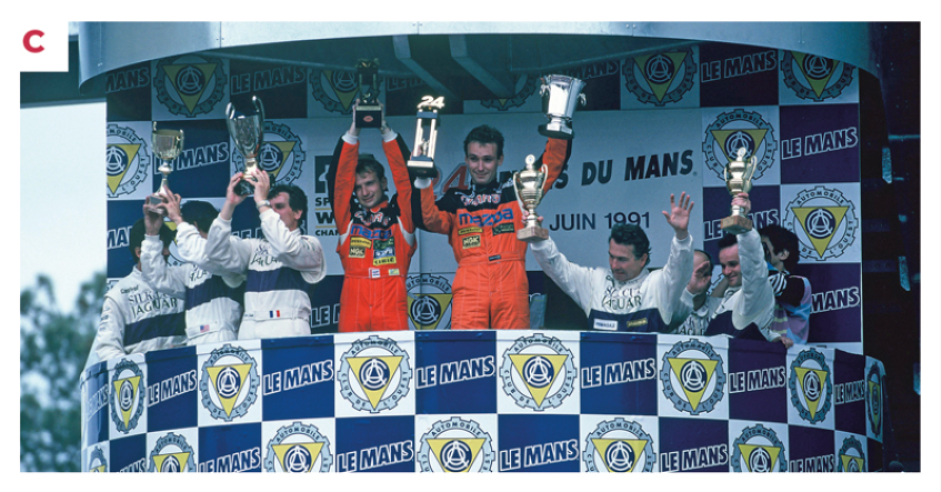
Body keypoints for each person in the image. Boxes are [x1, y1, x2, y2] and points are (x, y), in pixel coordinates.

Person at [413, 124, 572, 329]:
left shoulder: (515, 188)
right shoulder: (455, 200)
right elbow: (427, 219)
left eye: (487, 159)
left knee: (513, 352)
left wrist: (560, 124)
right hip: (470, 282)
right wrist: (422, 179)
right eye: (474, 159)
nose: (480, 167)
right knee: (467, 353)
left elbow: (553, 164)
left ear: (500, 159)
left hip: (510, 280)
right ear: (466, 159)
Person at [529, 193, 695, 333]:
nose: (614, 265)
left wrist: (681, 236)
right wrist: (539, 240)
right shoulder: (595, 282)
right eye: (611, 257)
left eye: (622, 259)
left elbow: (680, 269)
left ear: (643, 259)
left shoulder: (658, 283)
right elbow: (557, 268)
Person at [205, 168, 326, 340]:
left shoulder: (310, 245)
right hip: (249, 332)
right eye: (270, 207)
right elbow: (215, 255)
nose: (272, 212)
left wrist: (262, 202)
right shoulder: (253, 247)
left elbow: (285, 248)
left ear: (298, 213)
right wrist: (229, 205)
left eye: (280, 207)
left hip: (288, 331)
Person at [327, 103, 417, 332]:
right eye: (358, 187)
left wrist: (385, 130)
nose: (365, 192)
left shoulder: (401, 217)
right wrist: (354, 129)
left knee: (396, 364)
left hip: (390, 306)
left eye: (370, 183)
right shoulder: (348, 218)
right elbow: (337, 183)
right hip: (353, 307)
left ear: (383, 183)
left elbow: (407, 181)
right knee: (349, 365)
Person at [140, 192, 245, 345]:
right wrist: (152, 233)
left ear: (194, 227)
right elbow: (155, 277)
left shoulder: (231, 248)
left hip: (224, 341)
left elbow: (207, 256)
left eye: (181, 229)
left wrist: (177, 219)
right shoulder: (190, 269)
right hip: (194, 344)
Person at [702, 193, 791, 347]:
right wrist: (770, 337)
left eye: (733, 264)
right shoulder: (731, 298)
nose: (726, 271)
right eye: (723, 266)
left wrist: (743, 226)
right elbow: (745, 326)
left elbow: (754, 265)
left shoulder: (756, 290)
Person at [95, 218, 185, 360]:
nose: (168, 252)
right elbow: (107, 348)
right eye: (162, 247)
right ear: (139, 253)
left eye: (168, 245)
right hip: (142, 379)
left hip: (183, 376)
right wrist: (133, 371)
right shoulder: (118, 295)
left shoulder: (181, 281)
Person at [759, 224, 813, 344]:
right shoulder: (753, 282)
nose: (758, 251)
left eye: (763, 247)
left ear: (783, 254)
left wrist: (760, 261)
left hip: (789, 355)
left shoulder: (800, 283)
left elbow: (775, 285)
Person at [669, 249, 720, 335]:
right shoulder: (664, 308)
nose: (695, 280)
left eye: (702, 274)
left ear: (710, 278)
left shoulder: (722, 309)